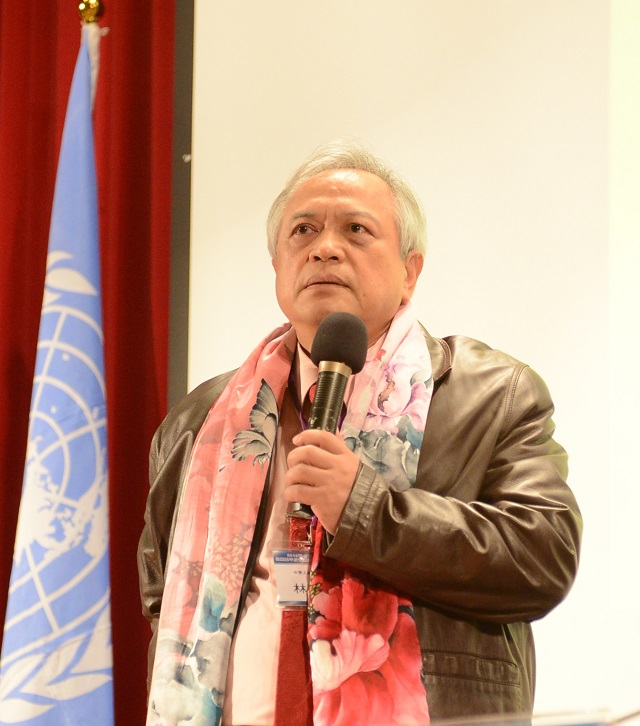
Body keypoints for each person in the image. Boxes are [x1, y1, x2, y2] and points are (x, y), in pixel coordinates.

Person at [138, 140, 582, 725]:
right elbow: (163, 596)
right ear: (277, 267)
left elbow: (542, 559)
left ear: (410, 272)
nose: (324, 247)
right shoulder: (200, 421)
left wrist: (366, 510)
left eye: (355, 229)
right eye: (303, 230)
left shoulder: (494, 395)